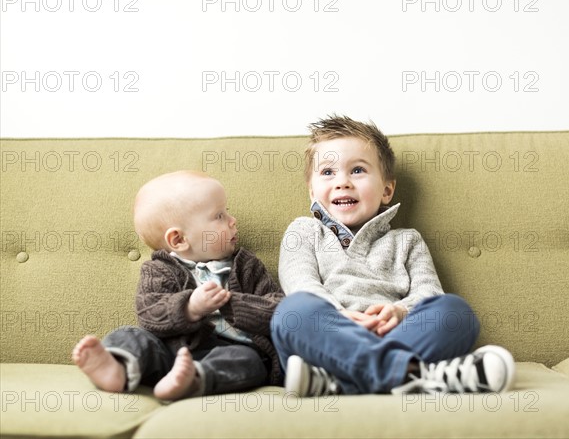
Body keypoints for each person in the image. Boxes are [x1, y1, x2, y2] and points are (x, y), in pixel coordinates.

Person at [271, 115, 515, 397]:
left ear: (387, 190)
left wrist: (401, 311)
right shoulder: (304, 230)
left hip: (397, 335)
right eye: (328, 173)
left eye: (358, 170)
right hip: (330, 341)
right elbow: (300, 283)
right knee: (293, 312)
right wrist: (340, 315)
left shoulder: (407, 240)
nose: (342, 182)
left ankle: (341, 384)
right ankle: (414, 375)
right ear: (312, 191)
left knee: (455, 312)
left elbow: (429, 292)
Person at [73, 171, 284, 400]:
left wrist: (234, 304)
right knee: (131, 334)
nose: (233, 221)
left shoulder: (247, 267)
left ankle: (194, 379)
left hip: (229, 350)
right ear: (179, 240)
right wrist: (190, 307)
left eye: (228, 211)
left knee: (250, 361)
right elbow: (149, 313)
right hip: (168, 351)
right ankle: (118, 366)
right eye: (219, 215)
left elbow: (279, 308)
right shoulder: (159, 270)